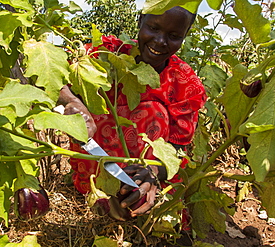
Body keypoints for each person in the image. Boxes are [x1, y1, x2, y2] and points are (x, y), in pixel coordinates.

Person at [58, 6, 207, 217]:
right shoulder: (105, 54)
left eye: (174, 36)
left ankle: (136, 196)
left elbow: (175, 151)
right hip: (93, 174)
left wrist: (154, 172)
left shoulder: (184, 82)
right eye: (153, 28)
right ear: (140, 21)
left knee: (153, 111)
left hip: (144, 178)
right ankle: (96, 194)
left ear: (185, 36)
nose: (160, 41)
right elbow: (54, 76)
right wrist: (71, 102)